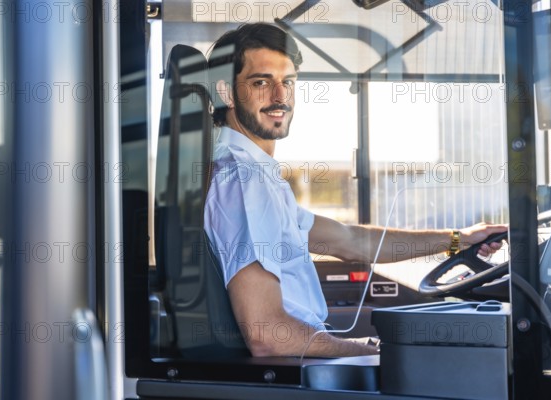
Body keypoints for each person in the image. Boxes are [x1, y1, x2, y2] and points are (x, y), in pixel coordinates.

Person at [204, 23, 506, 358]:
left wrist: (459, 240)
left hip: (300, 359)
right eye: (261, 82)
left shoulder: (254, 173)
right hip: (291, 371)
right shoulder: (245, 181)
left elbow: (350, 240)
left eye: (287, 82)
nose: (280, 97)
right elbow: (267, 335)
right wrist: (361, 351)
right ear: (227, 93)